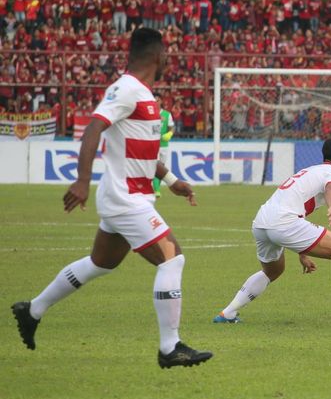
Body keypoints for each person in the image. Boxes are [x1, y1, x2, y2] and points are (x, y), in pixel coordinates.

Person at [11, 28, 212, 369]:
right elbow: (93, 129)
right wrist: (81, 180)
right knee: (171, 258)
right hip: (125, 199)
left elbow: (144, 154)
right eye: (167, 57)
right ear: (158, 57)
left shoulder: (146, 97)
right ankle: (170, 348)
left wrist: (172, 180)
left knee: (99, 263)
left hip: (133, 197)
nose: (168, 63)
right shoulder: (126, 89)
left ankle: (32, 310)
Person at [213, 139, 331, 328]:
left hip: (262, 221)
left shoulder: (310, 170)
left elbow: (300, 211)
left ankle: (228, 313)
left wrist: (302, 253)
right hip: (284, 222)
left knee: (273, 270)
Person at [153, 99, 175, 198]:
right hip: (154, 144)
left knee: (161, 166)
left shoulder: (167, 114)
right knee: (156, 166)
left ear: (161, 101)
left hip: (164, 144)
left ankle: (156, 188)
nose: (155, 102)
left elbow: (172, 127)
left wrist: (169, 134)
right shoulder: (150, 113)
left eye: (157, 100)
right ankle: (156, 190)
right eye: (154, 100)